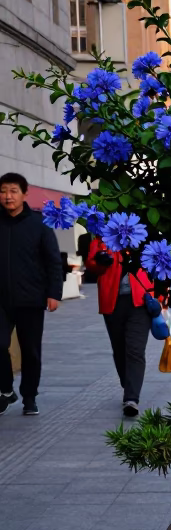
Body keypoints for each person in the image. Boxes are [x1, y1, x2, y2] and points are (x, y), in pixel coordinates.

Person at [0, 172, 63, 416]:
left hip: (31, 299)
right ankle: (6, 389)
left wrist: (53, 293)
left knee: (31, 351)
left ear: (25, 194)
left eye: (13, 191)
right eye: (4, 191)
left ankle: (29, 396)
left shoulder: (39, 224)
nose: (7, 196)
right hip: (1, 301)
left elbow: (53, 262)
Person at [84, 235, 154, 416]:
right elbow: (91, 265)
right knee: (120, 349)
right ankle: (128, 382)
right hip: (112, 301)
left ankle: (131, 398)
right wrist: (100, 262)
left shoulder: (144, 235)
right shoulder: (102, 238)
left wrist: (159, 298)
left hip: (140, 301)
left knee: (135, 350)